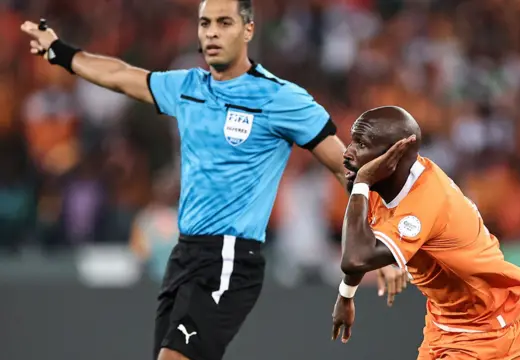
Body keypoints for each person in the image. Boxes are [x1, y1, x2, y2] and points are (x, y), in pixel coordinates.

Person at [20, 1, 409, 360]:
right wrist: (60, 52)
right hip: (184, 255)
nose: (211, 33)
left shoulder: (280, 99)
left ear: (248, 30)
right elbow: (123, 76)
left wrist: (379, 242)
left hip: (230, 257)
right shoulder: (189, 88)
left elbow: (346, 171)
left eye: (224, 23)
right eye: (205, 23)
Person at [331, 106, 520, 359]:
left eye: (361, 145)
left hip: (490, 328)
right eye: (352, 141)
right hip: (445, 322)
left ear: (394, 155)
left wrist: (362, 181)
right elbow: (358, 247)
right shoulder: (386, 182)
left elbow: (355, 258)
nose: (348, 152)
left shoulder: (423, 201)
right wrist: (346, 294)